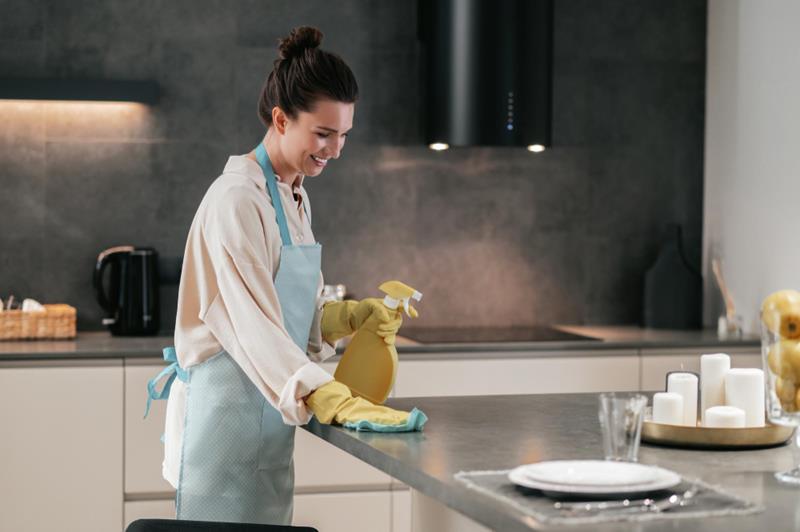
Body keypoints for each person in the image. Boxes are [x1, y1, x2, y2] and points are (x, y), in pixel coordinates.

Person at [148, 26, 421, 525]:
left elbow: (295, 312)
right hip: (224, 422)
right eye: (323, 133)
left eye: (343, 136)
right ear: (280, 119)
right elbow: (252, 325)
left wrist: (350, 317)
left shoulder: (293, 194)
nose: (335, 150)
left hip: (269, 417)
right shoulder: (236, 200)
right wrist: (328, 395)